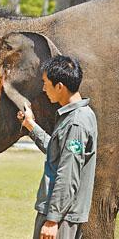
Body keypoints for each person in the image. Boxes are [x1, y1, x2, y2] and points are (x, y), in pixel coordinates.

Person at [17, 55, 97, 239]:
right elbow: (58, 152)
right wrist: (31, 126)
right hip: (62, 214)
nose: (44, 89)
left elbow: (68, 174)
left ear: (60, 86)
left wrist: (53, 220)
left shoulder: (76, 122)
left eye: (46, 83)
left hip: (62, 218)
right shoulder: (80, 115)